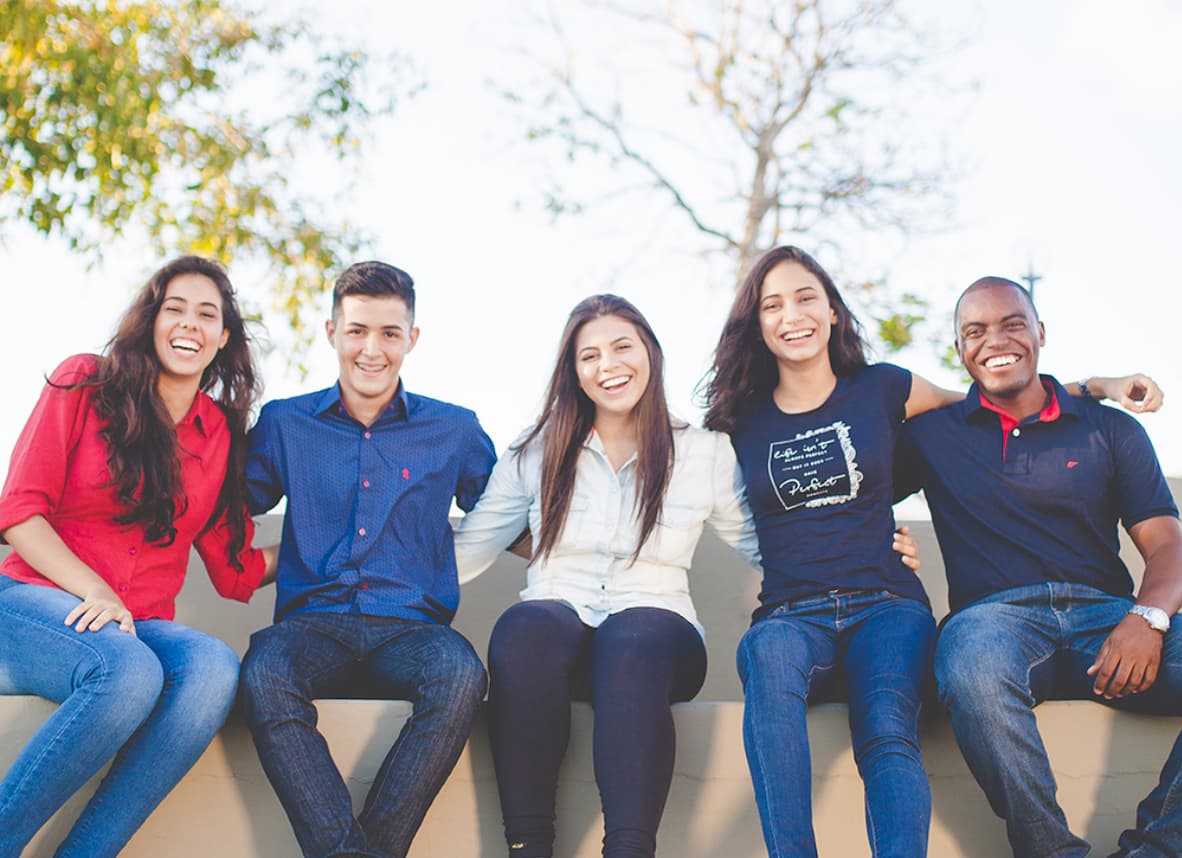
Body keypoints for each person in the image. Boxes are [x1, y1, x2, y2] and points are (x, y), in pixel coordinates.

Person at [701, 246, 1159, 858]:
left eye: (807, 297)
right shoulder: (747, 421)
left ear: (833, 310)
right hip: (852, 614)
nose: (793, 315)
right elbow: (753, 507)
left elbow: (997, 396)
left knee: (888, 727)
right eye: (773, 304)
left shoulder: (889, 388)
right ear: (756, 323)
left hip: (928, 606)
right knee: (777, 666)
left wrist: (1093, 387)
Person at [452, 294, 917, 858]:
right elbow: (470, 547)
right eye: (589, 355)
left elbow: (772, 543)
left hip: (658, 636)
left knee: (632, 637)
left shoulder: (703, 453)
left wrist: (868, 545)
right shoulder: (537, 450)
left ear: (649, 351)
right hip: (556, 632)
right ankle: (529, 848)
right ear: (573, 372)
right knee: (524, 626)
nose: (608, 365)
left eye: (622, 347)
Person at [897, 276, 1182, 858]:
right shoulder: (930, 436)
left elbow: (1168, 545)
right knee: (971, 667)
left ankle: (1157, 848)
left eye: (1012, 323)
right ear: (959, 351)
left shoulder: (1110, 428)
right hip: (995, 624)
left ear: (1041, 333)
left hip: (1110, 621)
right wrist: (882, 539)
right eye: (974, 331)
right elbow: (849, 494)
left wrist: (1148, 618)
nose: (994, 340)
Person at [0, 256, 271, 858]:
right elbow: (18, 510)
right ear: (151, 320)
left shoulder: (221, 432)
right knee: (128, 672)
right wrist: (94, 588)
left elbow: (236, 570)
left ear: (223, 337)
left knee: (212, 669)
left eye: (208, 315)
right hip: (30, 600)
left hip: (136, 623)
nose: (189, 324)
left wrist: (333, 542)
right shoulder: (85, 382)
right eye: (175, 308)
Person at [239, 260, 497, 858]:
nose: (371, 349)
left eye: (388, 333)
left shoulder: (454, 429)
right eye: (356, 331)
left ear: (412, 338)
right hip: (311, 625)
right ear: (332, 333)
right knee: (262, 671)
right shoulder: (284, 422)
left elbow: (511, 517)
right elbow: (222, 505)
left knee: (461, 675)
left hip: (412, 629)